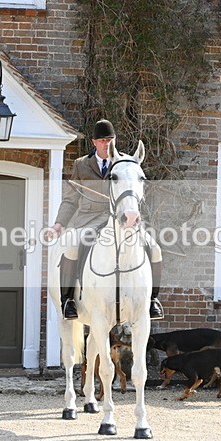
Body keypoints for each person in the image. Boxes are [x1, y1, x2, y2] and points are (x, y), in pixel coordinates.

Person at [50, 119, 164, 320]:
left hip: (120, 219)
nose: (106, 143)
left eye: (109, 139)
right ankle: (67, 299)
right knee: (72, 245)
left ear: (115, 140)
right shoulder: (81, 165)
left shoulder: (126, 164)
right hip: (88, 219)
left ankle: (153, 300)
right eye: (102, 140)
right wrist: (59, 224)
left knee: (154, 247)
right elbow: (71, 199)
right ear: (94, 142)